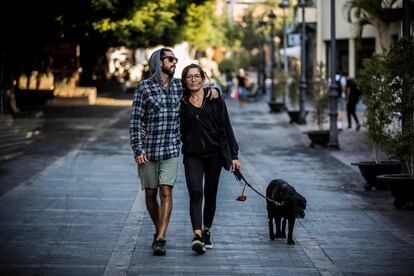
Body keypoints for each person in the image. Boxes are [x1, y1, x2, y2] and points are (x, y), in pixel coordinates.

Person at [129, 48, 218, 256]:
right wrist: (137, 148)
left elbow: (198, 85)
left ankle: (160, 238)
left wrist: (214, 88)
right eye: (170, 59)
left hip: (171, 149)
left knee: (165, 191)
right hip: (148, 151)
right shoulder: (144, 88)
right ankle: (157, 228)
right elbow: (135, 121)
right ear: (158, 63)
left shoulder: (179, 86)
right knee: (150, 194)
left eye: (175, 59)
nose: (174, 62)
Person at [180, 64, 241, 255]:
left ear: (203, 77)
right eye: (189, 77)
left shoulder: (214, 97)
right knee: (196, 192)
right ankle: (197, 236)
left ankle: (207, 231)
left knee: (211, 193)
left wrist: (234, 155)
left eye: (197, 76)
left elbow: (226, 126)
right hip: (192, 155)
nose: (193, 80)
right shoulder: (180, 100)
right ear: (184, 80)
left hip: (214, 154)